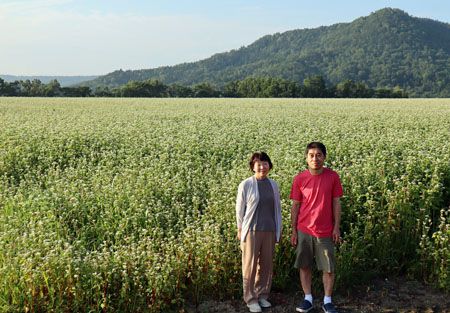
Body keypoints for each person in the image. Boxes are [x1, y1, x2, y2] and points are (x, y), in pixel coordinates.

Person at [290, 142, 343, 313]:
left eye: (318, 155)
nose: (315, 158)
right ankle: (308, 298)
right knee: (304, 265)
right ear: (306, 158)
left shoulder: (333, 176)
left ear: (324, 157)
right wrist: (293, 231)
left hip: (326, 231)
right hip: (304, 230)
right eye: (311, 155)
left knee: (328, 267)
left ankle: (328, 300)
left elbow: (336, 203)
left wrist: (336, 227)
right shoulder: (300, 178)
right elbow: (295, 206)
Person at [236, 152, 282, 313]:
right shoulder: (246, 184)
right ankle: (250, 298)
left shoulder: (273, 185)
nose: (262, 167)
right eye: (258, 164)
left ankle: (262, 295)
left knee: (266, 265)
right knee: (250, 265)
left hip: (269, 229)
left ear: (269, 165)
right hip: (252, 231)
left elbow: (277, 209)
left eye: (265, 163)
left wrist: (278, 229)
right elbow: (239, 210)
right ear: (252, 166)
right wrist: (240, 229)